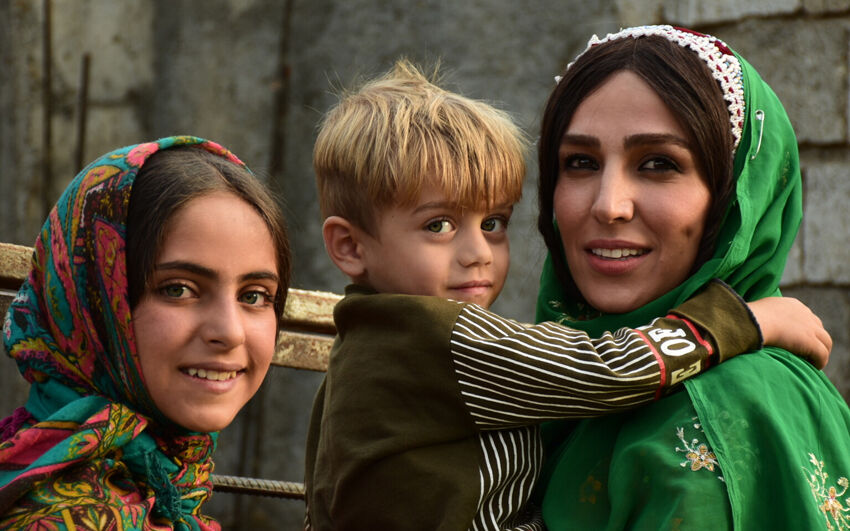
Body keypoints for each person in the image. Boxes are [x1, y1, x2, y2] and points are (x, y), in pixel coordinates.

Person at [303, 60, 830, 530]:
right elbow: (609, 371)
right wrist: (746, 321)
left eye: (493, 222)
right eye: (438, 225)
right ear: (349, 247)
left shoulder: (377, 337)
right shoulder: (429, 337)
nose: (477, 253)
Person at [533, 25, 850, 530]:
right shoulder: (540, 378)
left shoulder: (707, 417)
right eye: (580, 163)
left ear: (733, 201)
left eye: (658, 163)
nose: (608, 205)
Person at [0, 136, 291, 530]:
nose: (230, 332)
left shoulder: (166, 487)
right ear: (91, 304)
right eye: (178, 289)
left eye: (254, 295)